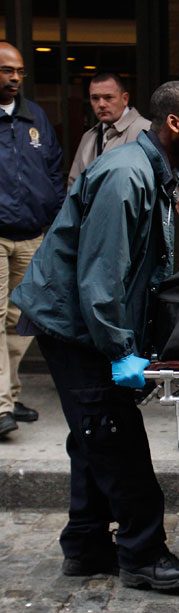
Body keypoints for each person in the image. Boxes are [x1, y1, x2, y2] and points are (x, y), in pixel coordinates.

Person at [11, 80, 179, 590]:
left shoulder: (152, 169)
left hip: (80, 320)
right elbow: (102, 274)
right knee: (115, 435)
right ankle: (143, 556)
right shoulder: (127, 174)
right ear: (175, 124)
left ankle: (85, 546)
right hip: (76, 324)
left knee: (94, 434)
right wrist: (121, 350)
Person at [0, 41, 63, 439]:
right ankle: (0, 406)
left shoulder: (34, 115)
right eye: (7, 70)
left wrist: (51, 214)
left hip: (31, 235)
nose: (15, 78)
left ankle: (8, 395)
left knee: (18, 320)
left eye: (19, 71)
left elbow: (53, 168)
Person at [67, 72, 151, 189]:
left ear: (125, 99)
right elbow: (74, 185)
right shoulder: (88, 137)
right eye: (95, 98)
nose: (101, 104)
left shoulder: (146, 131)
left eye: (108, 97)